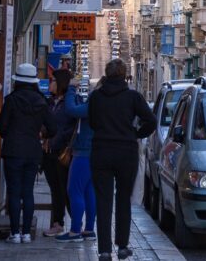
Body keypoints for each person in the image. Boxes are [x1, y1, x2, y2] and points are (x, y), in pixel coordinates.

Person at [88, 59, 155, 260]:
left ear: (107, 75)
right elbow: (151, 120)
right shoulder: (133, 97)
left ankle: (105, 250)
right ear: (125, 75)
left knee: (103, 200)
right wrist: (135, 133)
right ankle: (123, 245)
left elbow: (92, 123)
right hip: (126, 152)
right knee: (123, 198)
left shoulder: (96, 97)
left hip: (101, 151)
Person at [0, 63, 57, 244]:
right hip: (33, 151)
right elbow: (53, 128)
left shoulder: (11, 100)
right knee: (28, 192)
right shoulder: (42, 102)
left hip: (13, 150)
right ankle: (27, 234)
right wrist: (40, 133)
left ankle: (14, 233)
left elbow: (2, 127)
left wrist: (12, 136)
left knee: (14, 192)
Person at [56, 77, 96, 242]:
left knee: (74, 190)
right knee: (89, 192)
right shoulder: (101, 106)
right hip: (95, 153)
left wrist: (71, 89)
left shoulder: (93, 106)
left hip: (83, 152)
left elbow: (71, 109)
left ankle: (75, 231)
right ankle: (89, 229)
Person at [42, 69, 74, 236]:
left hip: (62, 152)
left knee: (66, 189)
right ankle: (58, 223)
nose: (50, 83)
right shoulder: (49, 102)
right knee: (55, 188)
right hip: (48, 152)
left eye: (53, 80)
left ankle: (76, 224)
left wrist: (56, 140)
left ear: (60, 83)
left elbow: (70, 128)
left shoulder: (69, 103)